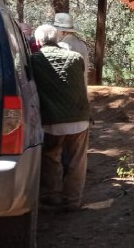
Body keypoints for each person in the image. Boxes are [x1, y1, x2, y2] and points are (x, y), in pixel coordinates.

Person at [31, 24, 91, 212]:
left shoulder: (35, 60)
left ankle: (51, 196)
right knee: (77, 161)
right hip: (79, 117)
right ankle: (73, 200)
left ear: (39, 41)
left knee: (51, 157)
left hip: (53, 121)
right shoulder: (76, 58)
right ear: (58, 38)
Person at [53, 12, 90, 85]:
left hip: (67, 91)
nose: (56, 33)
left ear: (63, 32)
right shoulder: (82, 45)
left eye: (57, 30)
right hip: (81, 90)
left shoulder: (61, 46)